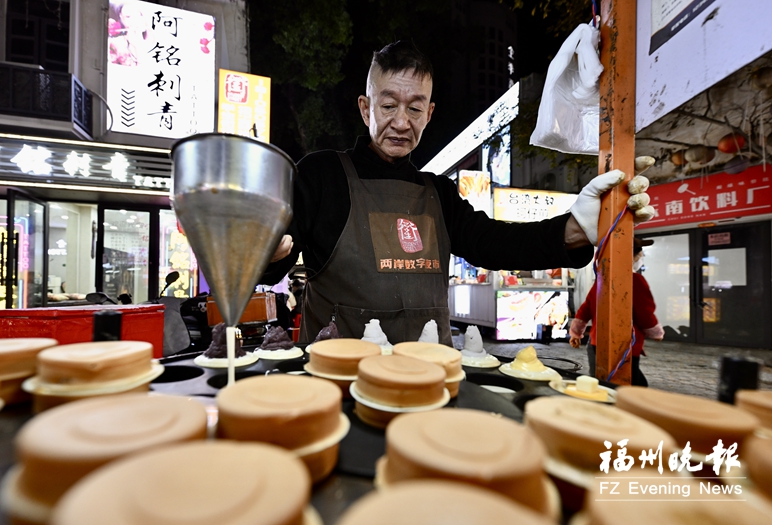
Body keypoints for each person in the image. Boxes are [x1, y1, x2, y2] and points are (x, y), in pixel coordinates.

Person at [261, 40, 654, 346]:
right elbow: (274, 253)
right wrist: (266, 252)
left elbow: (498, 244)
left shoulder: (438, 193)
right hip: (339, 386)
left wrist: (579, 225)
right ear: (366, 109)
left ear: (429, 114)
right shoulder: (320, 175)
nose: (401, 122)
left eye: (415, 109)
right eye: (388, 105)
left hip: (430, 382)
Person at [569, 238, 665, 386]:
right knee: (624, 387)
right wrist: (656, 333)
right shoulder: (636, 280)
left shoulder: (603, 279)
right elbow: (644, 313)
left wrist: (576, 332)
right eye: (639, 254)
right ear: (633, 256)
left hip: (597, 343)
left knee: (603, 383)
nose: (640, 258)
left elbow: (586, 307)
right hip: (624, 346)